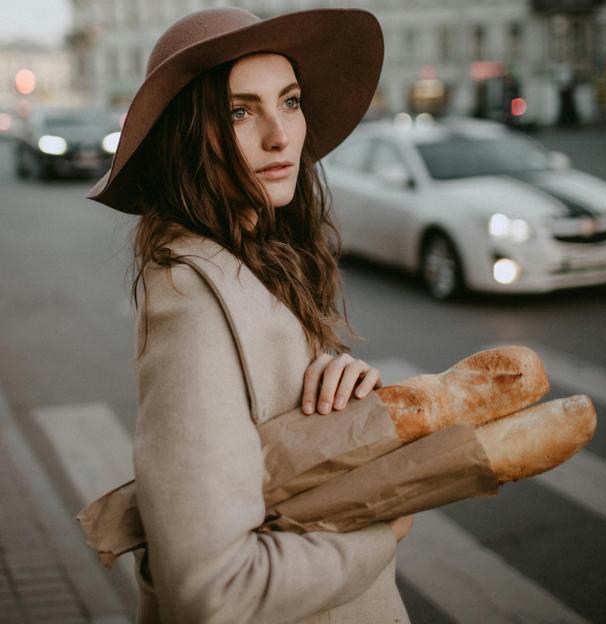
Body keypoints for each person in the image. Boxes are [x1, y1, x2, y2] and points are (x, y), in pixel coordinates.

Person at [86, 7, 415, 624]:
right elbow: (213, 591)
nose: (279, 135)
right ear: (188, 134)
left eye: (289, 102)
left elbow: (276, 448)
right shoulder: (194, 298)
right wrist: (382, 529)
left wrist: (347, 410)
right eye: (240, 111)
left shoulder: (260, 257)